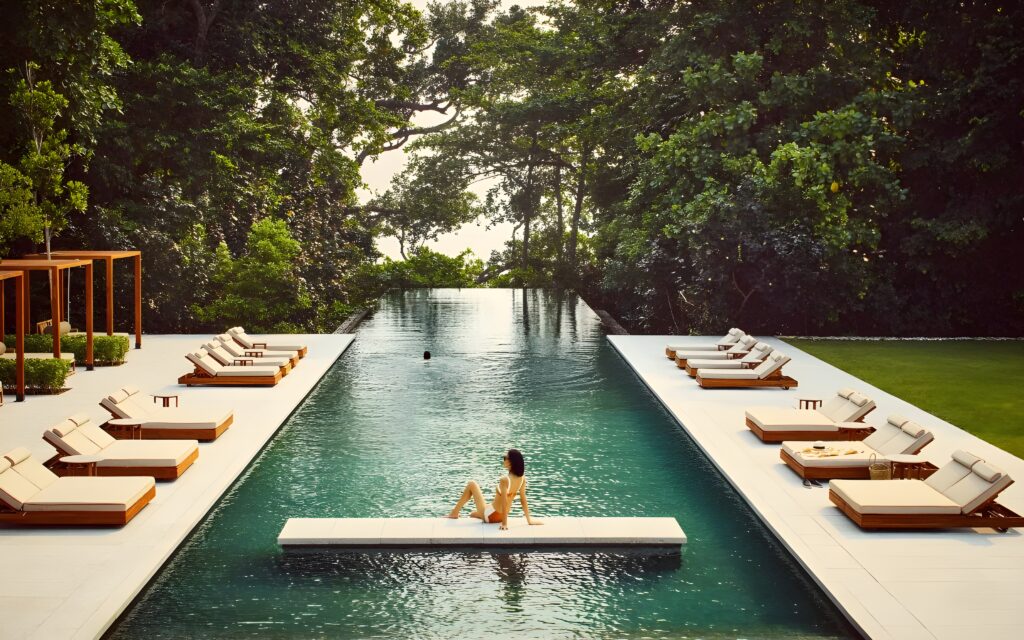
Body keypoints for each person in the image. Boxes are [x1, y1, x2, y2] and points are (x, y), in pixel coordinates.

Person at [445, 449, 542, 530]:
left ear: (511, 462)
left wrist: (505, 524)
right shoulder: (522, 479)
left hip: (492, 515)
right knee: (472, 514)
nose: (503, 460)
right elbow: (523, 500)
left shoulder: (505, 480)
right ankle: (465, 514)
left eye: (505, 458)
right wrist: (529, 520)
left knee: (472, 484)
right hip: (500, 515)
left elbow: (504, 501)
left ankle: (454, 513)